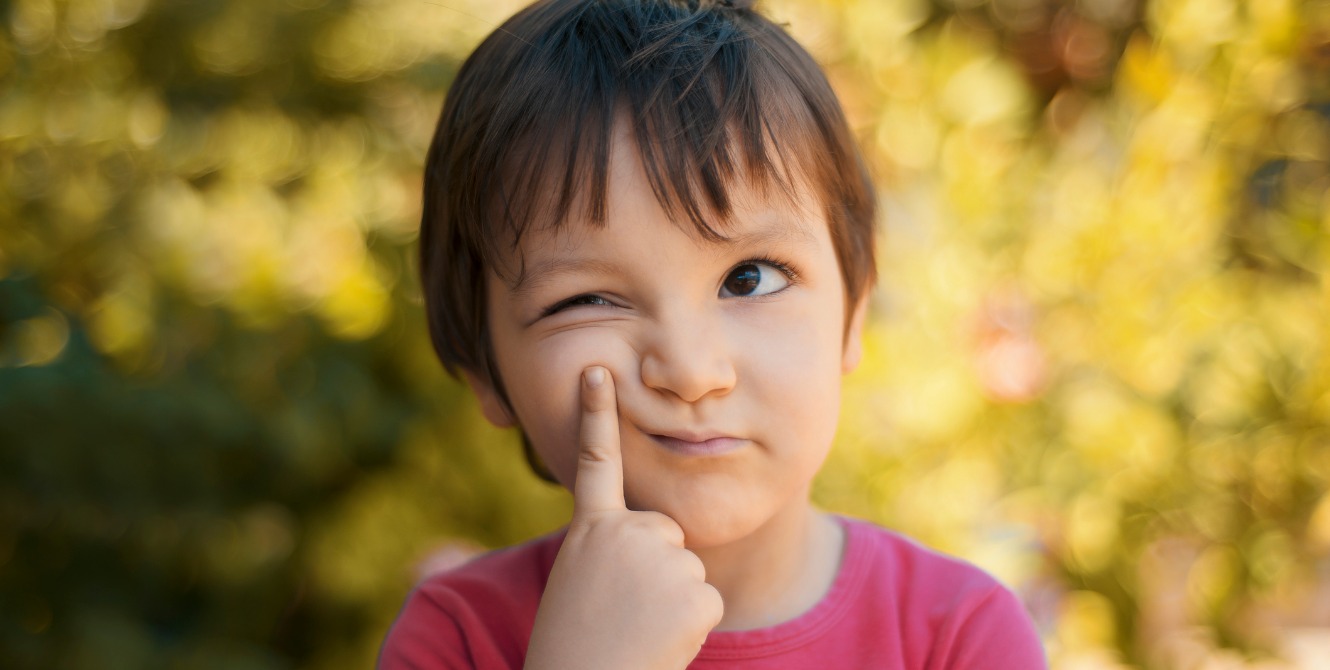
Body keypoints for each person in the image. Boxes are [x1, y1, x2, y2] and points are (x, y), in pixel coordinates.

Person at [380, 0, 1047, 667]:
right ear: (482, 369)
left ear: (854, 310)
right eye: (587, 298)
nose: (692, 369)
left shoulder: (958, 635)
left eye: (750, 278)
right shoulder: (457, 639)